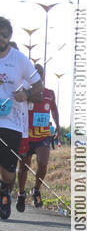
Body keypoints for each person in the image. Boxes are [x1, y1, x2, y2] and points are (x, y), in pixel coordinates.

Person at [0, 18, 43, 219]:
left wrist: (25, 94)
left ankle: (5, 190)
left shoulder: (19, 60)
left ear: (10, 37)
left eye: (4, 35)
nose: (1, 39)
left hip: (12, 123)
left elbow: (38, 86)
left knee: (9, 174)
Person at [16, 64, 59, 211]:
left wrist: (58, 127)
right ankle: (21, 194)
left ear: (44, 76)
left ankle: (36, 189)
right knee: (23, 168)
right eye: (35, 73)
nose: (39, 75)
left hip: (43, 136)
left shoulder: (50, 93)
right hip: (26, 135)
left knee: (43, 163)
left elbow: (54, 110)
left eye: (41, 73)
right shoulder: (25, 93)